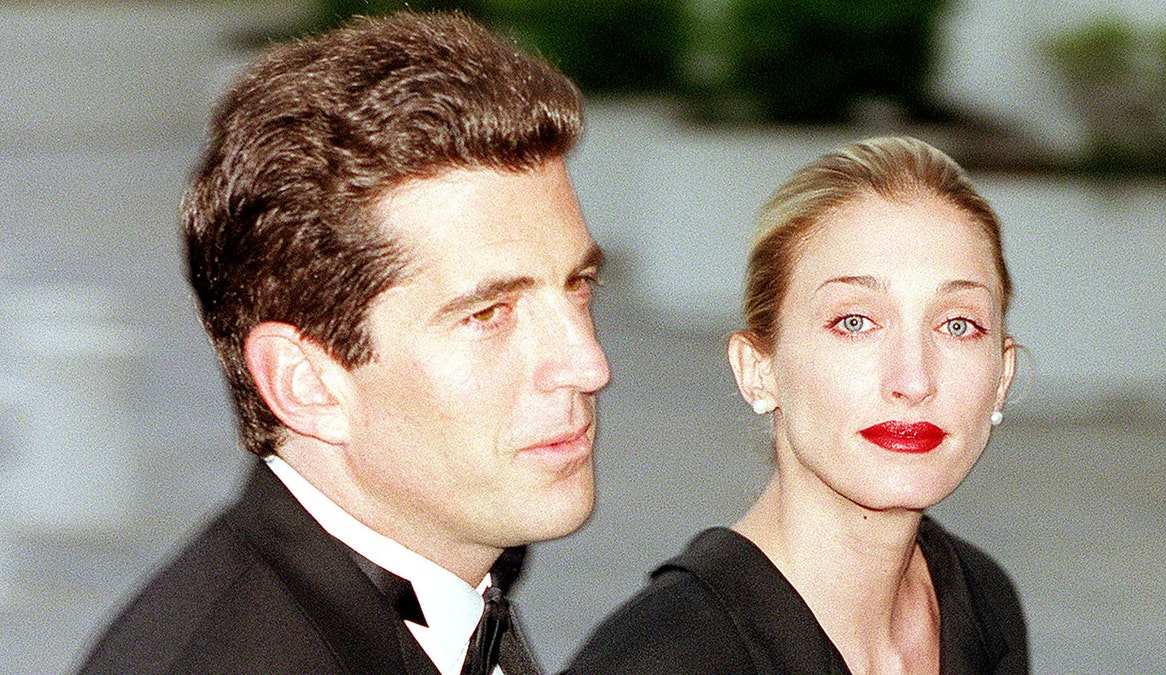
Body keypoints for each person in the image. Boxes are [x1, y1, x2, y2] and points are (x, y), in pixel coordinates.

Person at [79, 12, 609, 675]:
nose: (588, 364)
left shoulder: (448, 574)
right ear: (306, 382)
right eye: (488, 313)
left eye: (578, 285)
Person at [564, 137, 1027, 674]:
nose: (914, 380)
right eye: (855, 322)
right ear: (758, 371)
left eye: (957, 325)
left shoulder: (981, 601)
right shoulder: (668, 656)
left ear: (1002, 376)